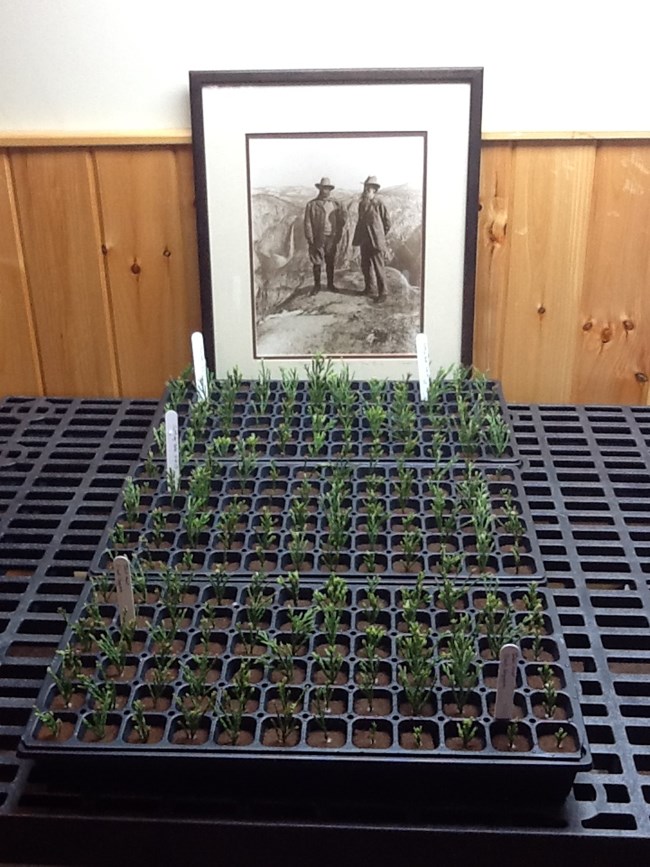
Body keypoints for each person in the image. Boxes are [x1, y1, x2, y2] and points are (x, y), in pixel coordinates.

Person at [303, 177, 347, 295]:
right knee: (317, 262)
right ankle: (317, 286)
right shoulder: (312, 205)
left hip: (331, 238)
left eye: (327, 188)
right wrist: (310, 238)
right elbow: (307, 222)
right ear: (320, 189)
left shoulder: (336, 204)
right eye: (323, 188)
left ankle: (330, 285)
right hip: (318, 238)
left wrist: (339, 229)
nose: (325, 191)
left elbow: (342, 220)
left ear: (330, 190)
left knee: (330, 261)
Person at [352, 175, 391, 303]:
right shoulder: (362, 204)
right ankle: (369, 288)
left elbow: (387, 223)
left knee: (378, 267)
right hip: (365, 240)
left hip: (376, 241)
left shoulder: (379, 204)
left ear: (374, 190)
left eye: (369, 189)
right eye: (365, 188)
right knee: (365, 266)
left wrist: (380, 235)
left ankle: (383, 292)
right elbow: (360, 221)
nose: (366, 191)